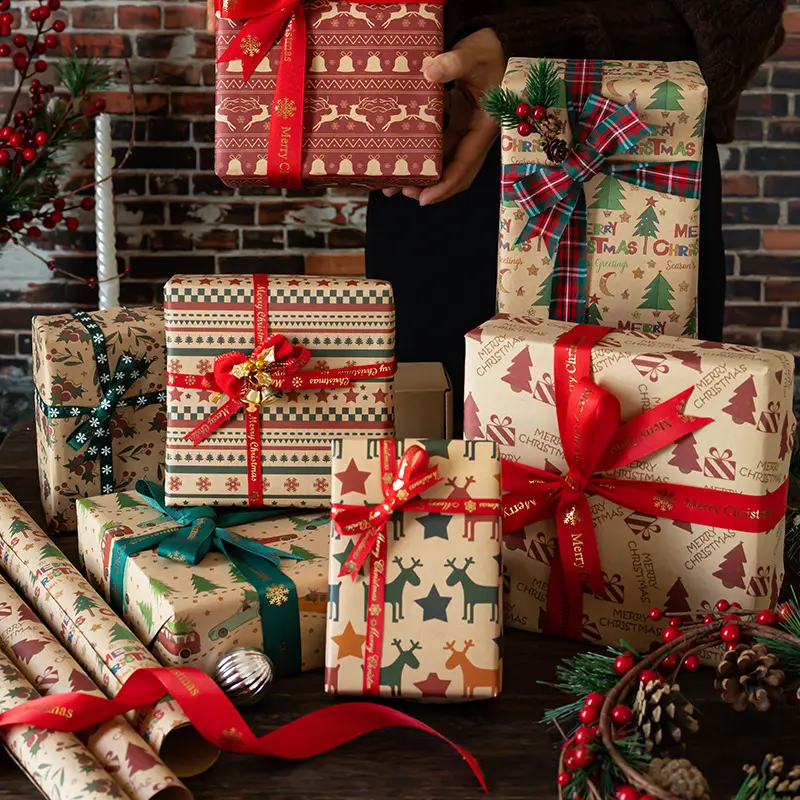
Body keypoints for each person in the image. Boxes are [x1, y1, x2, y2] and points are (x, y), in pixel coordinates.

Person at [207, 1, 785, 433]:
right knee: (430, 462)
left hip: (637, 155)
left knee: (646, 469)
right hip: (439, 152)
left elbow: (736, 18)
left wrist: (528, 51)